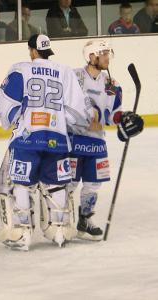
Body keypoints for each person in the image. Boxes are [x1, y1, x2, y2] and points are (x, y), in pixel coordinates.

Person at [0, 34, 94, 251]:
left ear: (32, 51)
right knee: (56, 183)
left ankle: (22, 233)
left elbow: (3, 102)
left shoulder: (21, 69)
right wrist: (63, 124)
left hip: (27, 139)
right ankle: (59, 230)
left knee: (20, 182)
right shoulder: (65, 72)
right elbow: (79, 112)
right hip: (57, 139)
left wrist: (15, 118)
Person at [70, 40, 144, 241]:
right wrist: (87, 119)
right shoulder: (74, 77)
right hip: (73, 139)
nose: (106, 57)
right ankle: (62, 221)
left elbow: (113, 114)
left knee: (93, 184)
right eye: (102, 53)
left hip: (97, 141)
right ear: (91, 56)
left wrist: (123, 118)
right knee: (70, 183)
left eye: (108, 53)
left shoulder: (112, 84)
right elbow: (66, 106)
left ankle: (85, 220)